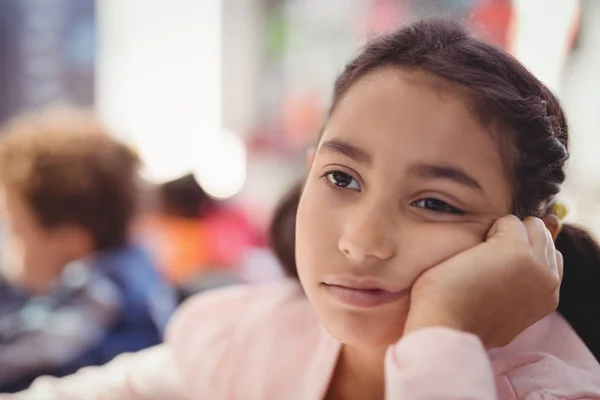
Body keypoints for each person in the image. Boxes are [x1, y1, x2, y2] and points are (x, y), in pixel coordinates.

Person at [3, 19, 600, 400]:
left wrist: (442, 337)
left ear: (530, 239)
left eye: (435, 202)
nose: (361, 243)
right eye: (341, 177)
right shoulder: (261, 335)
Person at [0, 108, 177, 392]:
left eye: (17, 232)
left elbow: (14, 354)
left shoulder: (101, 293)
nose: (9, 248)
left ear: (72, 240)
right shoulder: (135, 270)